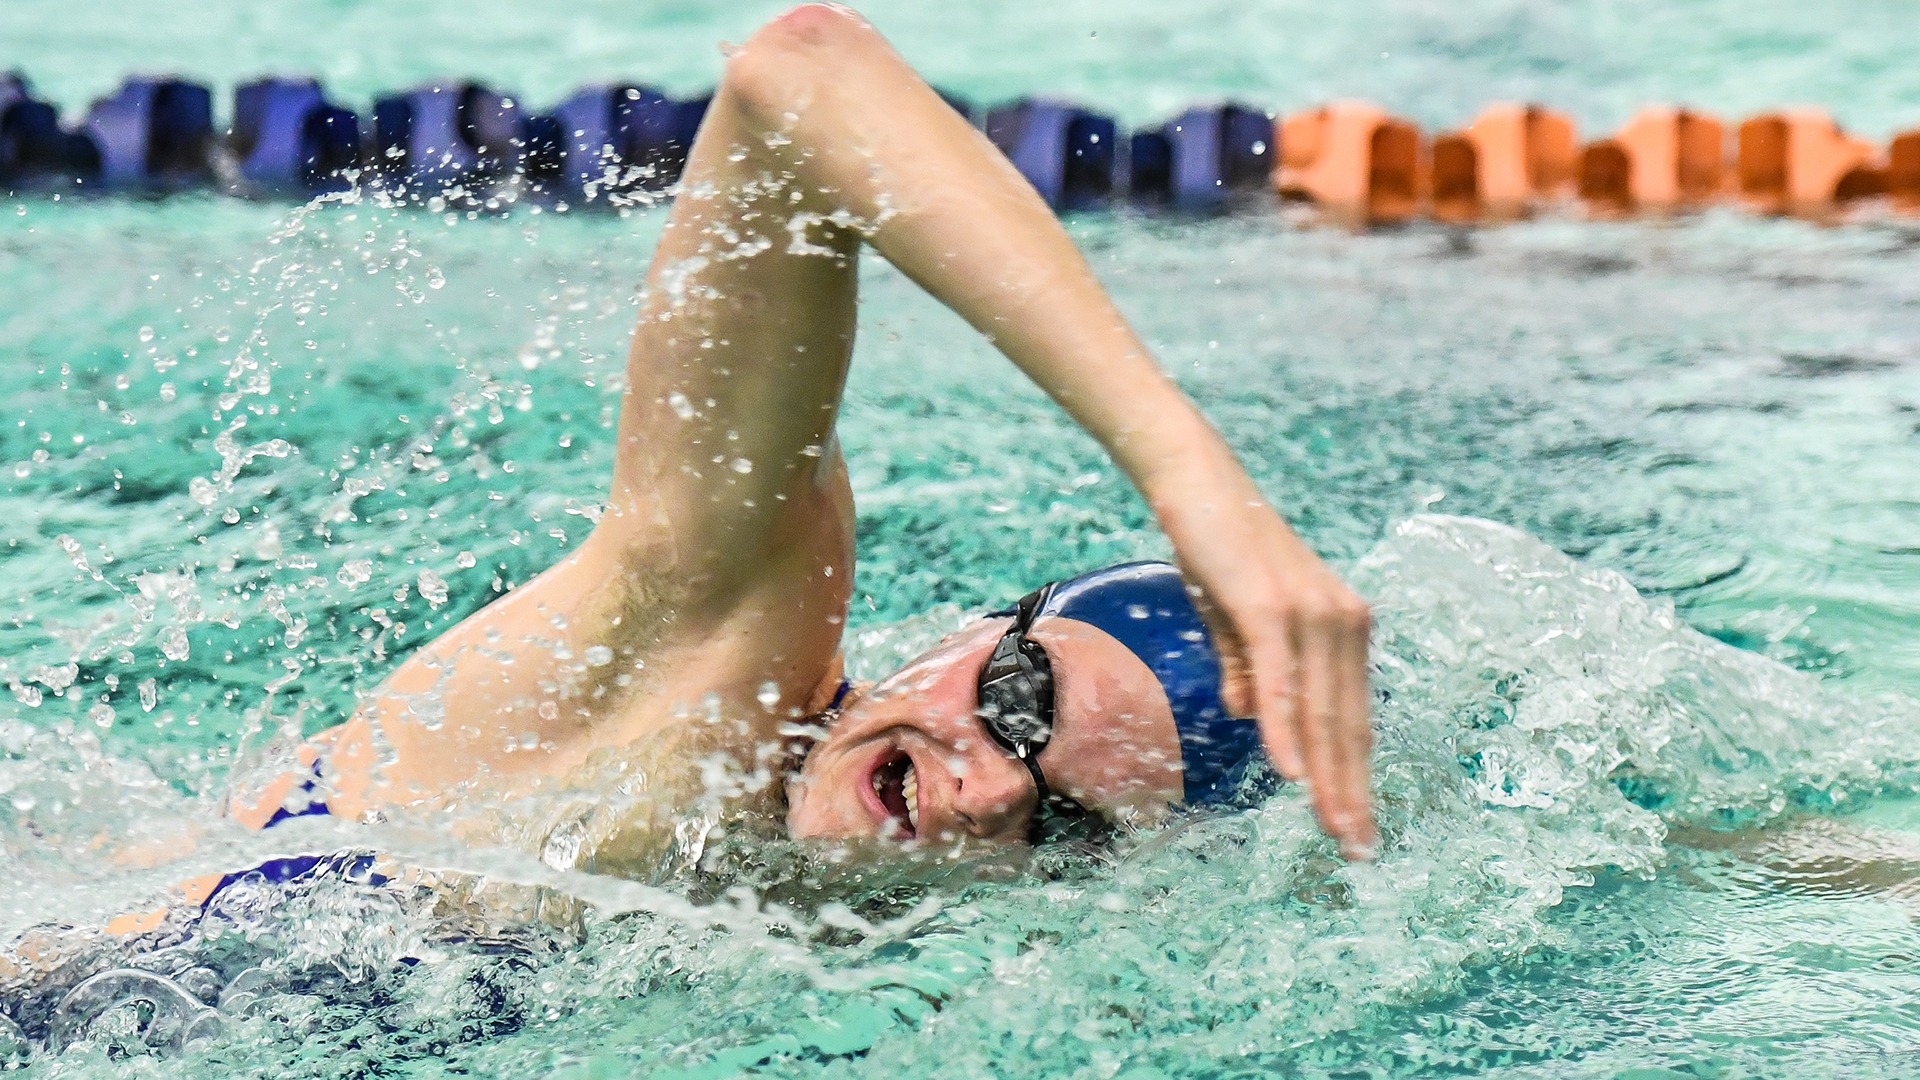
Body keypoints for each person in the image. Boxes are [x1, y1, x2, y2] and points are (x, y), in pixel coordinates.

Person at [236, 3, 1375, 871]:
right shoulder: (719, 661)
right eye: (1021, 702)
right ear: (968, 632)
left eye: (1071, 826)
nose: (988, 795)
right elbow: (800, 75)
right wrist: (1185, 471)